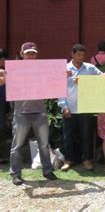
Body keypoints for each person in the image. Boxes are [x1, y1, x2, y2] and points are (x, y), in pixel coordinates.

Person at [0, 42, 58, 185]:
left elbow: (54, 81)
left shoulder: (42, 70)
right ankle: (15, 173)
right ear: (22, 54)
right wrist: (1, 73)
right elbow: (1, 82)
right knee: (17, 145)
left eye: (33, 53)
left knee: (44, 144)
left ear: (36, 54)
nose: (31, 56)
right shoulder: (13, 70)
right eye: (28, 53)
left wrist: (64, 75)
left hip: (40, 112)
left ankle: (47, 170)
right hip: (21, 113)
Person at [58, 44, 103, 171]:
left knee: (86, 136)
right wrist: (63, 106)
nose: (81, 57)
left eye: (83, 55)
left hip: (85, 107)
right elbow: (59, 88)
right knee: (68, 136)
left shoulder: (90, 68)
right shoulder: (64, 69)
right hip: (69, 107)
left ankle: (86, 160)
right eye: (78, 55)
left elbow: (103, 79)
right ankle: (68, 160)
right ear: (72, 54)